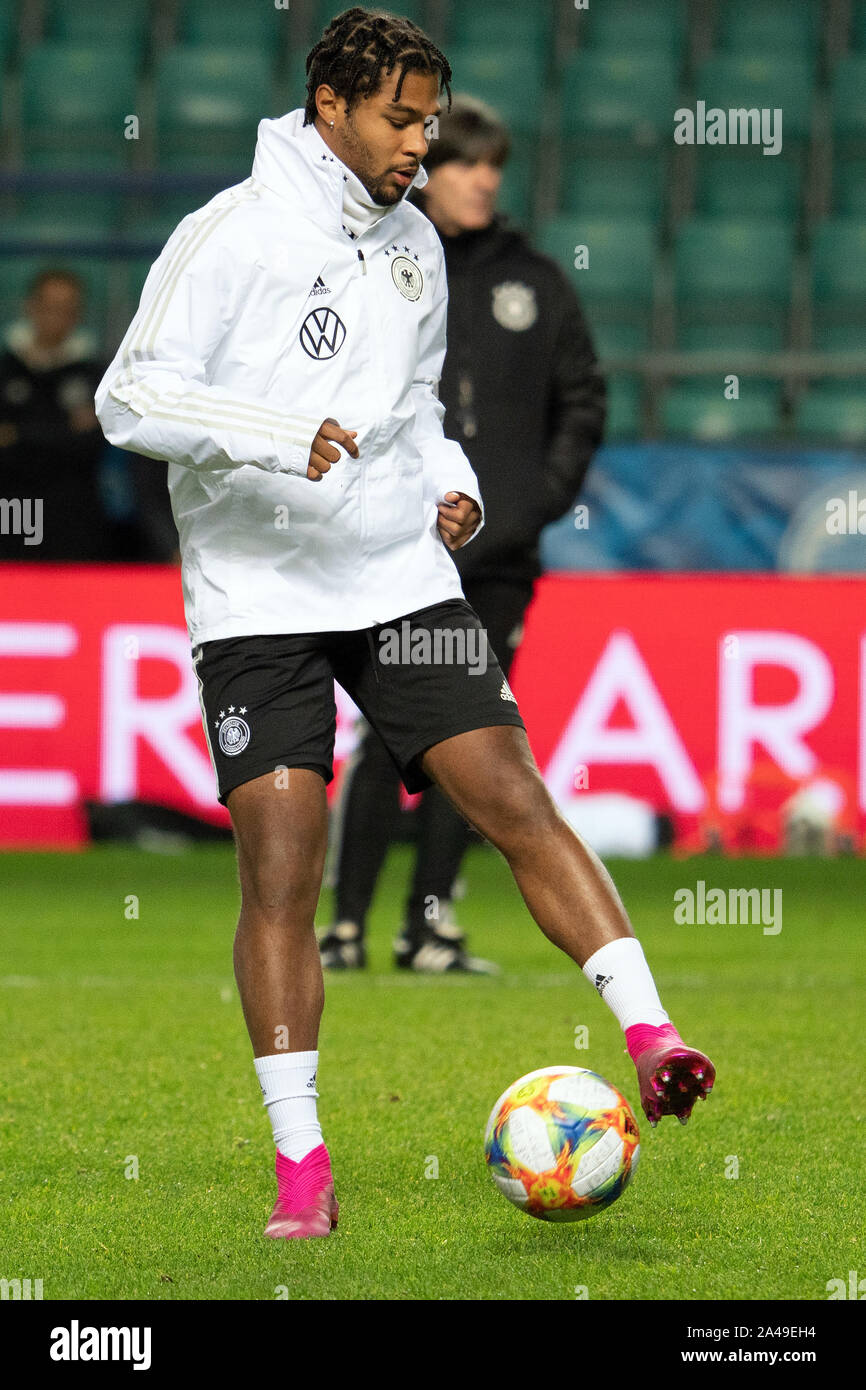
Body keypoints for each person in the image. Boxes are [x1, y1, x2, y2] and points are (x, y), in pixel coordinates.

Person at [95, 6, 714, 1242]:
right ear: (329, 103)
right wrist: (278, 436)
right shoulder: (228, 235)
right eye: (400, 119)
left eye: (432, 123)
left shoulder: (415, 243)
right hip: (259, 596)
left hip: (392, 576)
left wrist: (458, 482)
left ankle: (650, 1030)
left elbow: (421, 406)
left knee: (512, 791)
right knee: (285, 863)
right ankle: (301, 1165)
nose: (420, 147)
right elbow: (129, 397)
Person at [319, 95, 606, 974]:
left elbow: (583, 401)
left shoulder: (537, 282)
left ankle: (429, 930)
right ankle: (347, 927)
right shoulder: (376, 259)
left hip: (499, 557)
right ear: (428, 173)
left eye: (492, 166)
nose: (482, 180)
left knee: (480, 743)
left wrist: (529, 505)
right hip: (396, 548)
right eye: (464, 164)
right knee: (382, 738)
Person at [0, 269, 111, 560]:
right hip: (13, 510)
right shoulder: (6, 369)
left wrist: (18, 434)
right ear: (30, 307)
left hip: (76, 513)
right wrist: (64, 429)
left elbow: (91, 444)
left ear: (78, 315)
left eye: (67, 309)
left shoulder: (96, 375)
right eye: (49, 307)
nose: (57, 317)